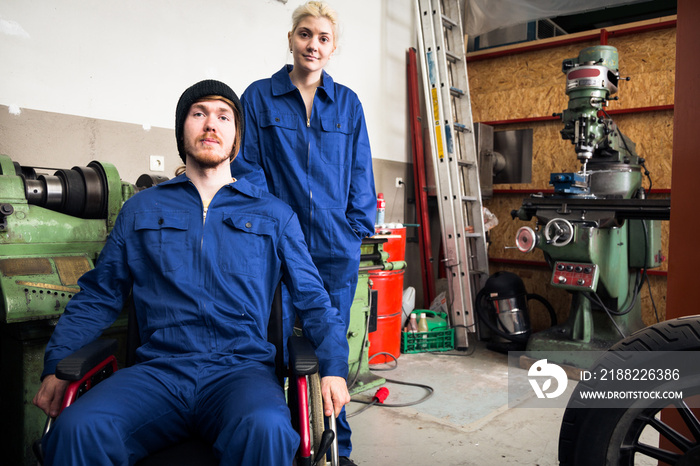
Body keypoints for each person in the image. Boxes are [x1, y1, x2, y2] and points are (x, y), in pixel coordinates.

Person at [32, 79, 351, 466]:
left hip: (241, 372)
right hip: (158, 373)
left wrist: (333, 368)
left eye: (223, 116)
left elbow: (315, 302)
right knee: (77, 429)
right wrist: (58, 363)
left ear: (236, 137)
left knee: (266, 428)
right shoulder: (141, 210)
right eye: (198, 114)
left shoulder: (274, 215)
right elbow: (99, 295)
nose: (210, 124)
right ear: (182, 131)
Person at [232, 3, 376, 464]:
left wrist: (354, 231)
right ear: (291, 38)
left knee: (331, 351)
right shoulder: (257, 98)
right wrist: (275, 224)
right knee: (277, 348)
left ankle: (336, 448)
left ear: (333, 47)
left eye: (323, 38)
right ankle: (283, 445)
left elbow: (361, 173)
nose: (313, 44)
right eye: (305, 34)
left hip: (336, 251)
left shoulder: (348, 103)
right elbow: (245, 168)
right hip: (277, 250)